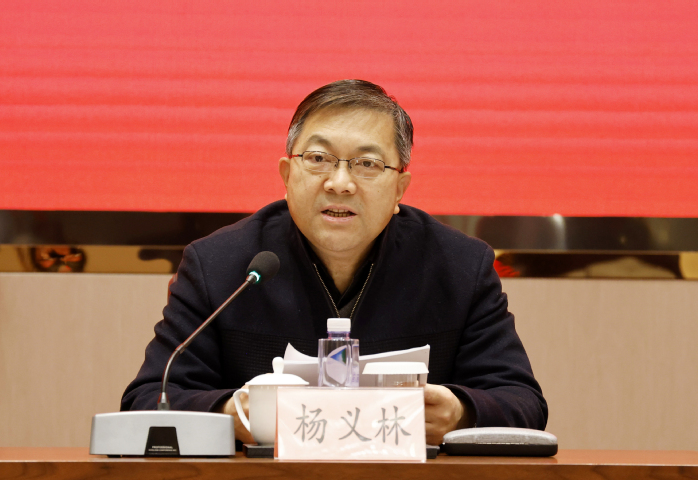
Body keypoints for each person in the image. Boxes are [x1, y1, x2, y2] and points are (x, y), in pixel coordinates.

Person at [121, 80, 547, 445]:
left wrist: (460, 413)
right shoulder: (220, 264)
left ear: (400, 188)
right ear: (287, 175)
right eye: (318, 159)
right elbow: (148, 400)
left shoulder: (459, 267)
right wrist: (232, 414)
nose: (340, 183)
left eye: (367, 164)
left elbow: (523, 403)